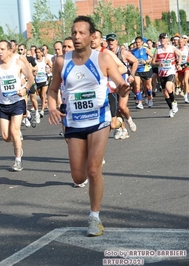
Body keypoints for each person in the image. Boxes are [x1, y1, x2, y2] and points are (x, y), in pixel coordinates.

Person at [48, 16, 130, 237]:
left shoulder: (102, 58)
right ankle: (90, 169)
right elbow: (52, 90)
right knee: (78, 177)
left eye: (81, 32)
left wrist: (123, 88)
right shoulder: (61, 62)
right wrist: (53, 107)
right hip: (74, 122)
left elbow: (118, 82)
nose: (76, 36)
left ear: (92, 36)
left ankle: (94, 218)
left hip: (99, 120)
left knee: (94, 170)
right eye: (74, 32)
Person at [0, 40, 34, 171]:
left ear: (9, 51)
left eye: (2, 49)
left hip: (17, 102)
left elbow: (30, 78)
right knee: (5, 137)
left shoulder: (18, 63)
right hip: (3, 103)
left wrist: (25, 89)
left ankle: (18, 160)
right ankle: (17, 142)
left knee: (14, 131)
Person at [106, 33, 138, 140]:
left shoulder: (123, 52)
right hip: (111, 84)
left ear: (117, 41)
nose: (111, 42)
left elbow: (135, 61)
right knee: (116, 110)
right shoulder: (105, 53)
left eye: (113, 40)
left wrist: (132, 75)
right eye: (109, 40)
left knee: (122, 107)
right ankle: (123, 130)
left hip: (123, 83)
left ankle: (129, 119)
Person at [152, 33, 182, 118]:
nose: (162, 40)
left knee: (169, 87)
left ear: (167, 39)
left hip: (171, 71)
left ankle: (174, 102)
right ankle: (171, 109)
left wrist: (178, 64)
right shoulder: (158, 50)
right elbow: (152, 62)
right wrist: (158, 63)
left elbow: (179, 55)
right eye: (161, 38)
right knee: (165, 92)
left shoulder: (172, 48)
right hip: (161, 72)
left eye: (164, 38)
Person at [131, 36, 154, 109]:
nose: (137, 44)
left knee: (147, 86)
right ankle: (140, 102)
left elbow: (152, 57)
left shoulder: (145, 49)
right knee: (137, 85)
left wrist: (147, 61)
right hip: (137, 70)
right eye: (136, 42)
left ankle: (150, 98)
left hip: (145, 69)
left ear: (142, 43)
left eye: (139, 42)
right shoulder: (133, 51)